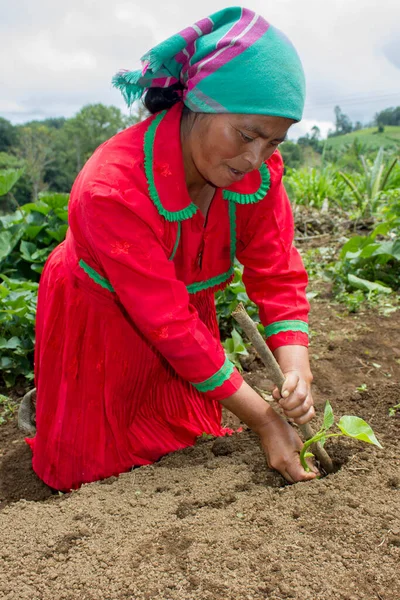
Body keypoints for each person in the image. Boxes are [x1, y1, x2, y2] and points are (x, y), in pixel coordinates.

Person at [30, 6, 318, 492]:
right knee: (92, 470)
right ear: (198, 104)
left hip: (184, 324)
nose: (254, 158)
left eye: (273, 142)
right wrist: (266, 421)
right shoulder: (111, 189)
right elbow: (166, 324)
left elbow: (278, 274)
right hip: (102, 316)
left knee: (186, 439)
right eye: (245, 135)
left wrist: (297, 371)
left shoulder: (259, 178)